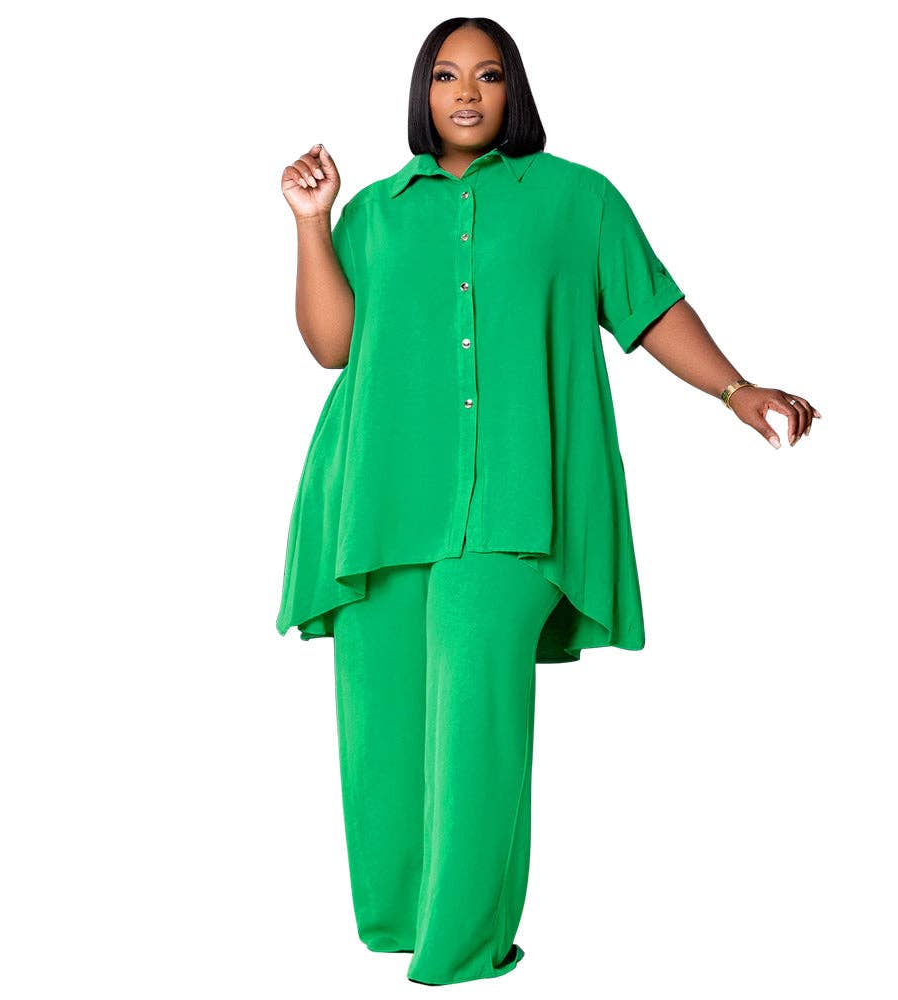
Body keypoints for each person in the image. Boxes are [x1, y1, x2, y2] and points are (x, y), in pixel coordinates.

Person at [276, 16, 820, 987]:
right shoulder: (375, 213)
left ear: (513, 89)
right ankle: (399, 923)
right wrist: (312, 222)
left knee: (475, 715)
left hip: (517, 504)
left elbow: (649, 305)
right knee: (383, 732)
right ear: (423, 92)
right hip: (377, 496)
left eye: (487, 75)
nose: (466, 93)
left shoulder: (577, 199)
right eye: (446, 76)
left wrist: (737, 389)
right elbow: (331, 347)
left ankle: (461, 951)